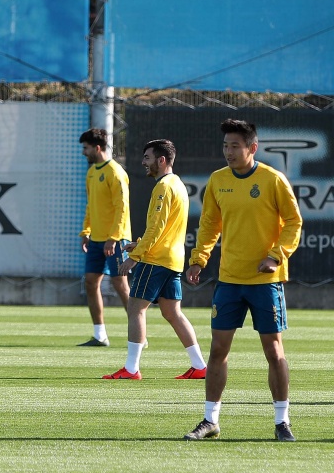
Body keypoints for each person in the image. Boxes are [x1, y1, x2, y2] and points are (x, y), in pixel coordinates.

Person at [183, 119, 302, 442]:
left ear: (253, 148)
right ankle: (210, 420)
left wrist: (276, 256)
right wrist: (198, 260)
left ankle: (282, 421)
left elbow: (293, 222)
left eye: (235, 146)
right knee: (218, 349)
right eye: (225, 146)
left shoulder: (273, 179)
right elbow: (209, 225)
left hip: (266, 282)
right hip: (229, 280)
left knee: (274, 351)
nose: (229, 152)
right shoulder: (218, 180)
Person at [102, 140, 206, 380]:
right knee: (172, 313)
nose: (143, 162)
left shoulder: (163, 187)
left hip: (156, 260)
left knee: (135, 308)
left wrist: (135, 256)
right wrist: (139, 244)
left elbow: (157, 227)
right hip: (173, 260)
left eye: (147, 157)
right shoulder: (178, 184)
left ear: (161, 160)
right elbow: (166, 228)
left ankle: (131, 368)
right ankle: (200, 365)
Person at [78, 128, 131, 346]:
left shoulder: (115, 172)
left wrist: (114, 237)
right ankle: (100, 335)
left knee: (120, 284)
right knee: (91, 282)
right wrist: (86, 231)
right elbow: (91, 206)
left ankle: (139, 334)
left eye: (86, 148)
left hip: (115, 239)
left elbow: (122, 207)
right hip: (96, 239)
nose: (84, 152)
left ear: (97, 148)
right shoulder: (92, 172)